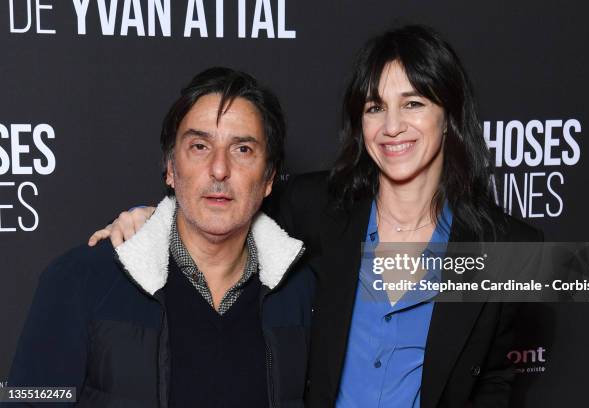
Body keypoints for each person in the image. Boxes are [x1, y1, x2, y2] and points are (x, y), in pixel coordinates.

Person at [89, 25, 542, 407]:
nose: (392, 126)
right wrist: (150, 218)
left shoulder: (509, 249)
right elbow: (218, 206)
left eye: (413, 103)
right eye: (374, 107)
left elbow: (498, 374)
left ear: (449, 115)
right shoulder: (314, 208)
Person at [7, 67, 315, 407]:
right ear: (170, 168)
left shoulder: (300, 293)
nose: (219, 169)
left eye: (242, 150)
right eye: (199, 146)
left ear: (269, 178)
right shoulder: (78, 280)